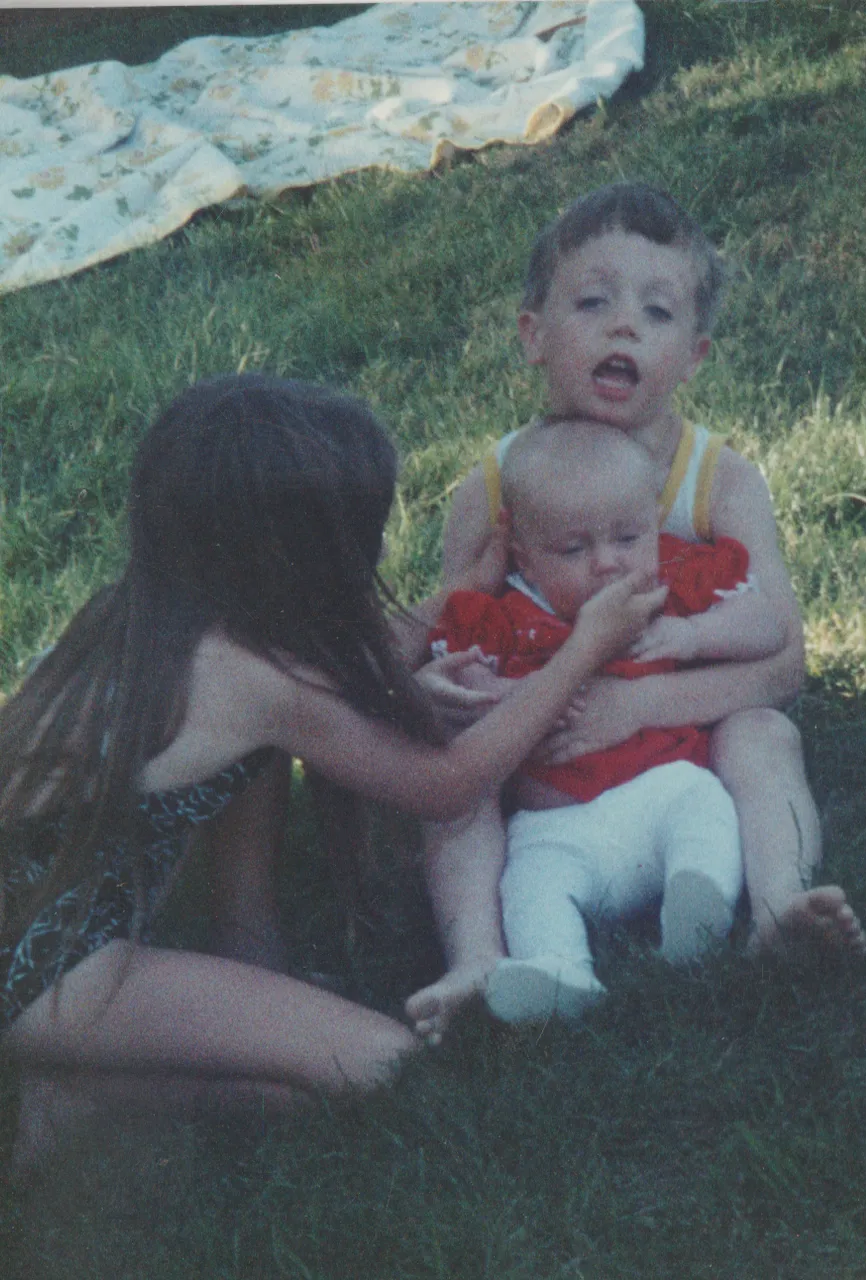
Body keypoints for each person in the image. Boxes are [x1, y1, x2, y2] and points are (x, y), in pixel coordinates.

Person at [0, 373, 666, 1172]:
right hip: (49, 966)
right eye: (362, 534)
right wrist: (585, 648)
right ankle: (71, 1101)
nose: (378, 550)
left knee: (254, 776)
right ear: (293, 557)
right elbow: (448, 785)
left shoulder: (156, 616)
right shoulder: (250, 678)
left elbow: (339, 681)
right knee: (388, 1068)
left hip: (51, 931)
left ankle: (246, 957)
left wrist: (454, 597)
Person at [404, 182, 866, 1040]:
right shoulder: (494, 486)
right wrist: (444, 681)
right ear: (532, 335)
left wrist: (637, 706)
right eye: (592, 302)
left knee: (765, 733)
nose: (624, 327)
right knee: (454, 785)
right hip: (543, 774)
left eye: (655, 313)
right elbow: (456, 623)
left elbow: (782, 664)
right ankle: (474, 958)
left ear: (691, 355)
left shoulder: (716, 480)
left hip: (682, 755)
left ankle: (775, 907)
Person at [429, 422, 792, 1022]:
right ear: (524, 555)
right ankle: (560, 973)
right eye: (573, 550)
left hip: (664, 787)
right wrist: (510, 693)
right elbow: (456, 677)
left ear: (654, 523)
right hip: (554, 822)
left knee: (703, 809)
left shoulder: (673, 579)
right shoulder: (502, 613)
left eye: (627, 537)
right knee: (530, 885)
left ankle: (698, 907)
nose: (606, 563)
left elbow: (767, 628)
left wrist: (694, 634)